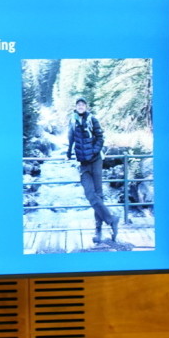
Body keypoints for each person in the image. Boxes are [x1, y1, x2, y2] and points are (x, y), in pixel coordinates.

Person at [66, 97, 119, 243]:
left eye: (83, 104)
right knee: (90, 194)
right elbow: (71, 138)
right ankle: (112, 219)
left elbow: (101, 138)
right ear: (76, 107)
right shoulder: (72, 120)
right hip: (83, 162)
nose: (81, 106)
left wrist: (94, 152)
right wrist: (68, 152)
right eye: (78, 104)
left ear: (86, 106)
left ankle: (98, 230)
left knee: (98, 194)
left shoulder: (92, 119)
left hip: (95, 161)